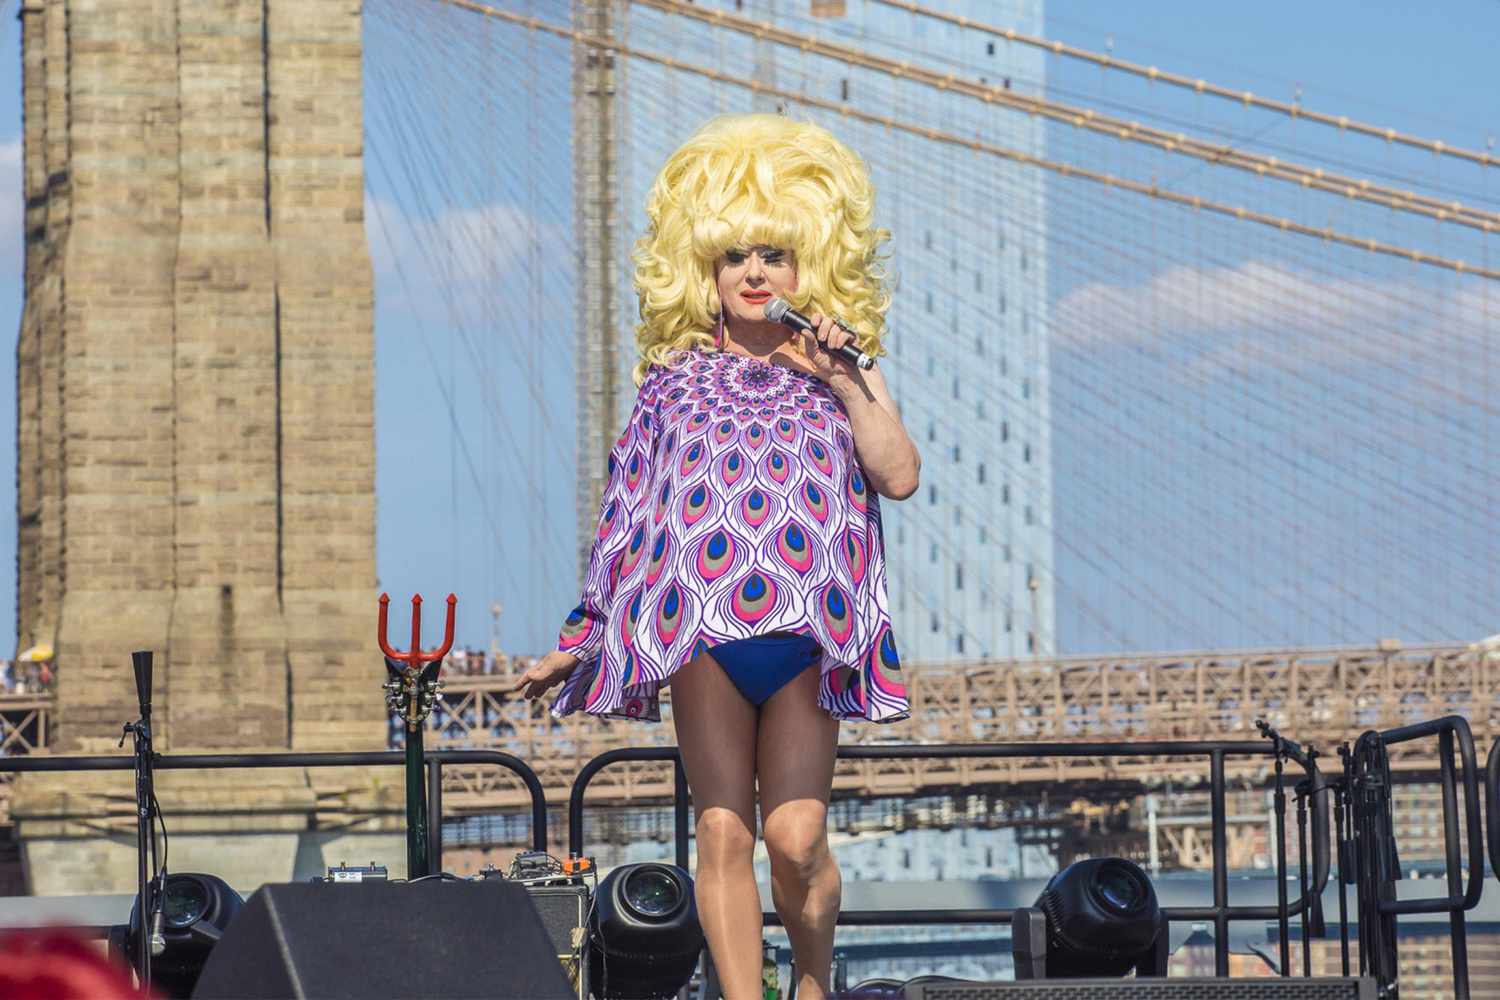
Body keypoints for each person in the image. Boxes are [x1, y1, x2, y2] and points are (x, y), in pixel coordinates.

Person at [514, 113, 920, 1000]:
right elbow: (627, 521)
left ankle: (812, 980)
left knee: (797, 840)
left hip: (807, 636)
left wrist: (844, 375)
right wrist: (580, 637)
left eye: (774, 254)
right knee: (724, 836)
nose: (753, 273)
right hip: (701, 636)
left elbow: (899, 475)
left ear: (811, 264)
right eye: (734, 255)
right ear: (703, 267)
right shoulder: (670, 380)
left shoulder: (848, 368)